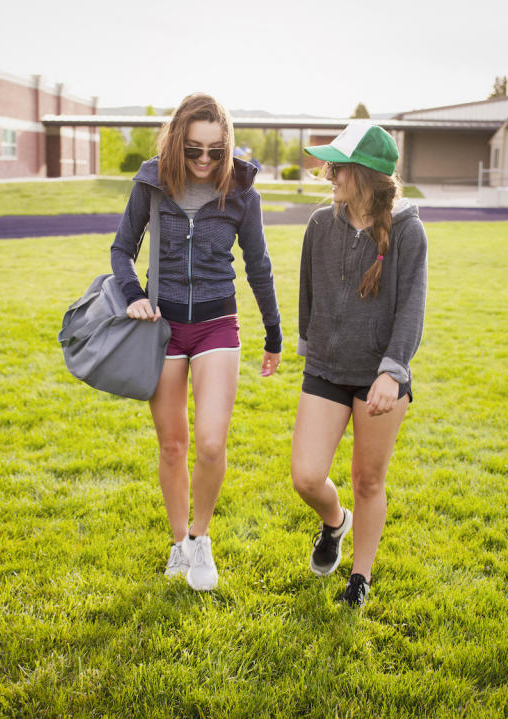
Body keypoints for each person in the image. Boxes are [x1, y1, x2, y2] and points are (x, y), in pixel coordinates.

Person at [110, 93, 283, 591]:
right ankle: (178, 545)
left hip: (216, 323)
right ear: (175, 144)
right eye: (193, 150)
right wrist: (132, 294)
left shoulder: (243, 190)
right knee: (172, 445)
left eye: (215, 150)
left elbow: (259, 265)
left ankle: (200, 536)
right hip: (161, 327)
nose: (205, 161)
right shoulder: (150, 181)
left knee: (209, 442)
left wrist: (273, 333)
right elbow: (123, 249)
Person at [291, 121, 427, 608]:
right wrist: (312, 347)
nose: (329, 175)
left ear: (365, 175)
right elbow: (308, 291)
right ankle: (334, 522)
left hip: (380, 379)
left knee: (368, 480)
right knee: (306, 477)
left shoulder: (408, 231)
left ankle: (360, 579)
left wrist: (393, 370)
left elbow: (412, 306)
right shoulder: (320, 225)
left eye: (338, 167)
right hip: (326, 369)